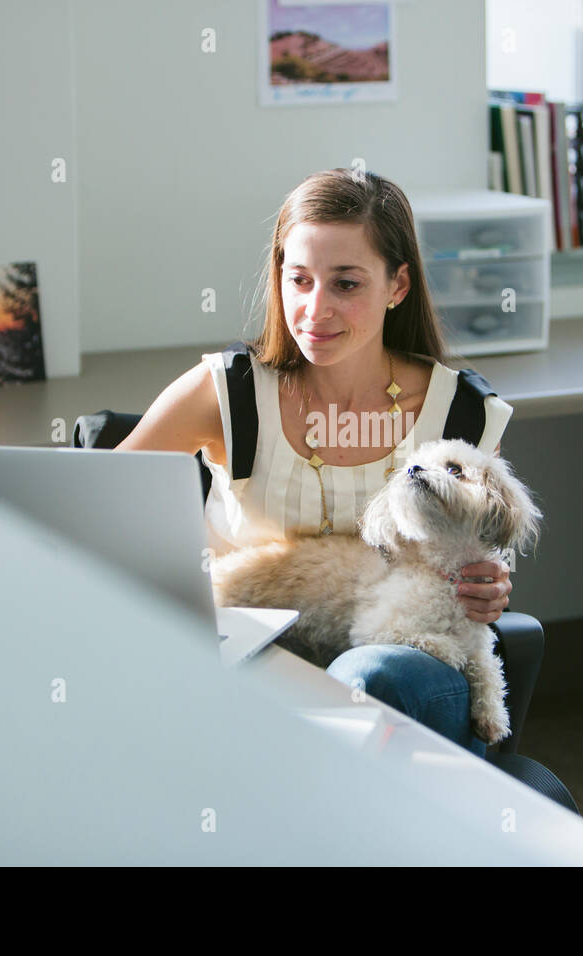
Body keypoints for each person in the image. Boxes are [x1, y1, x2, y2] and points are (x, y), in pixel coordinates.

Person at [116, 168, 514, 756]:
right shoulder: (227, 392)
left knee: (368, 681)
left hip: (401, 665)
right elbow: (95, 507)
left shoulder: (460, 414)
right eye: (298, 280)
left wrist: (493, 586)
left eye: (346, 284)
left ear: (397, 285)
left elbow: (482, 554)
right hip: (244, 654)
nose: (314, 309)